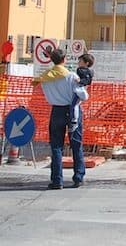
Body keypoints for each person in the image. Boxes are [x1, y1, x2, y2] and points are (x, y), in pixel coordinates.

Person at [32, 48, 89, 189]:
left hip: (56, 111)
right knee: (76, 145)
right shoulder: (71, 76)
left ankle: (57, 180)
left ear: (52, 60)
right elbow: (83, 95)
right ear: (64, 60)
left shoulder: (45, 77)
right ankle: (78, 177)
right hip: (72, 111)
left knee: (56, 146)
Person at [70, 53, 94, 132]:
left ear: (86, 63)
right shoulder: (85, 71)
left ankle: (74, 121)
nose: (78, 62)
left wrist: (80, 81)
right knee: (75, 105)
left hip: (80, 91)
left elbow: (87, 81)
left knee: (74, 105)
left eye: (80, 61)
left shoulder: (83, 71)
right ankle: (74, 119)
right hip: (80, 90)